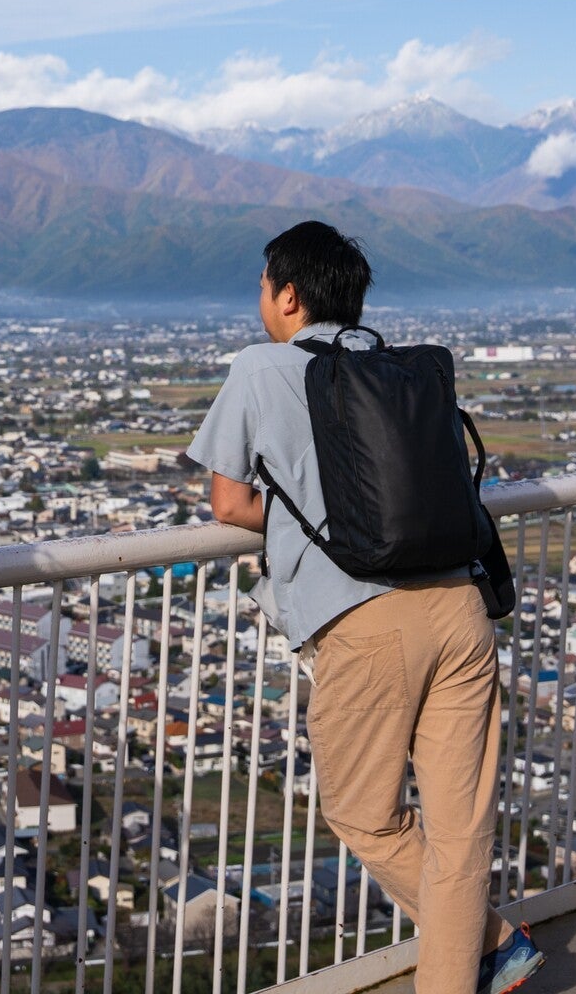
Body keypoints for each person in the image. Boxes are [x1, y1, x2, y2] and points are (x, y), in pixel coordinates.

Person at [187, 221, 543, 994]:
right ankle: (482, 953)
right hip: (459, 609)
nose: (260, 300)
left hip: (364, 624)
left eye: (261, 285)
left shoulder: (260, 368)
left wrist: (303, 515)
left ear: (286, 293)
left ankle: (496, 940)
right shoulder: (402, 371)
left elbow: (229, 503)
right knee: (460, 834)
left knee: (365, 815)